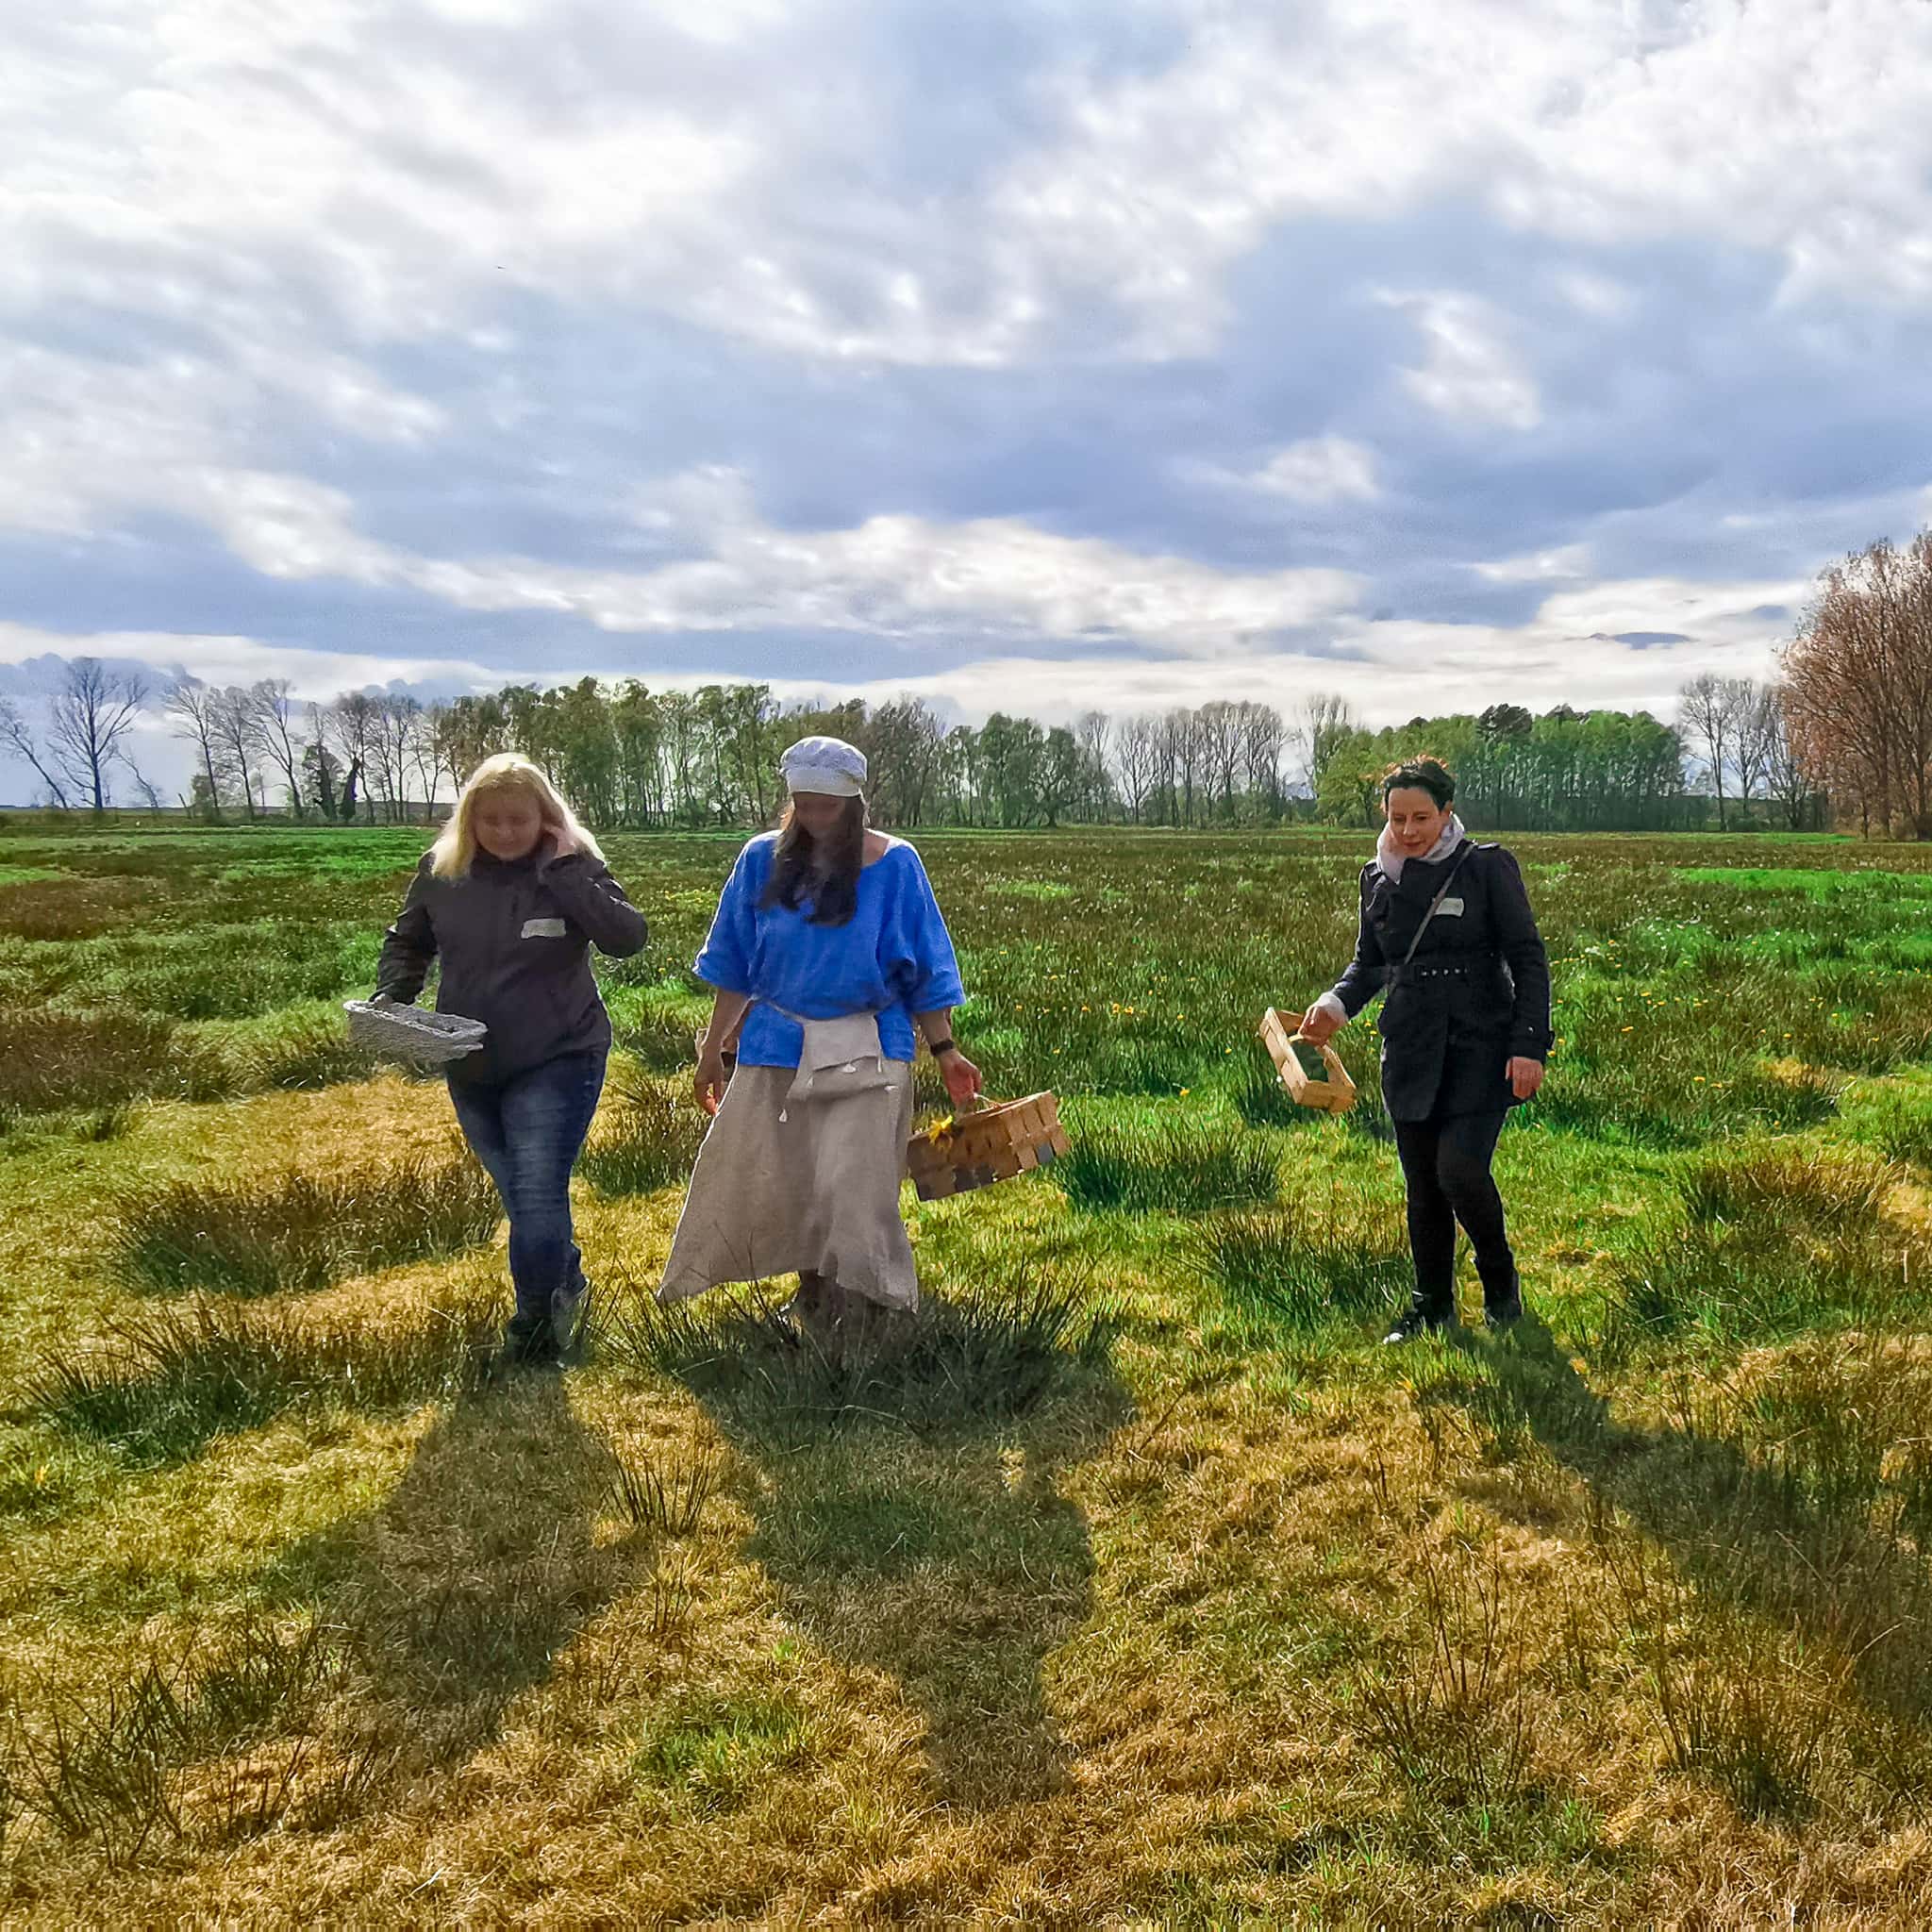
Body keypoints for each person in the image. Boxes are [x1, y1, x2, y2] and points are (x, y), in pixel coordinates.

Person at [658, 735, 982, 1348]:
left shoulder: (896, 865)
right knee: (792, 1178)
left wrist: (945, 1050)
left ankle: (862, 1299)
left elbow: (924, 969)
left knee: (856, 1183)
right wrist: (712, 1049)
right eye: (803, 804)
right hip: (777, 1045)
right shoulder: (761, 861)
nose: (813, 816)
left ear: (854, 801)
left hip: (872, 1043)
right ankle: (813, 1292)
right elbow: (736, 964)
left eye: (826, 806)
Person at [375, 753, 647, 1364]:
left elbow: (626, 938)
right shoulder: (442, 872)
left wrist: (567, 873)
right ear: (469, 820)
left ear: (545, 819)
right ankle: (566, 1280)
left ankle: (536, 1327)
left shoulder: (575, 868)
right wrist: (392, 997)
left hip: (560, 1055)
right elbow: (407, 941)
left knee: (537, 1191)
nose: (503, 832)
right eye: (490, 820)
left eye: (517, 820)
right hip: (469, 1059)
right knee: (523, 1195)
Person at [1299, 757, 1551, 1341]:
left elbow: (1527, 958)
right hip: (1410, 1048)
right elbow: (1370, 963)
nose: (1409, 831)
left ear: (1446, 813)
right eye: (1398, 817)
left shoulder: (1486, 868)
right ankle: (1431, 1304)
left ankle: (1499, 1280)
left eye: (1421, 817)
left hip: (1481, 1046)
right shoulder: (1376, 877)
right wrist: (1335, 1004)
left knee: (1460, 1171)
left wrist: (1529, 1044)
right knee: (1423, 1184)